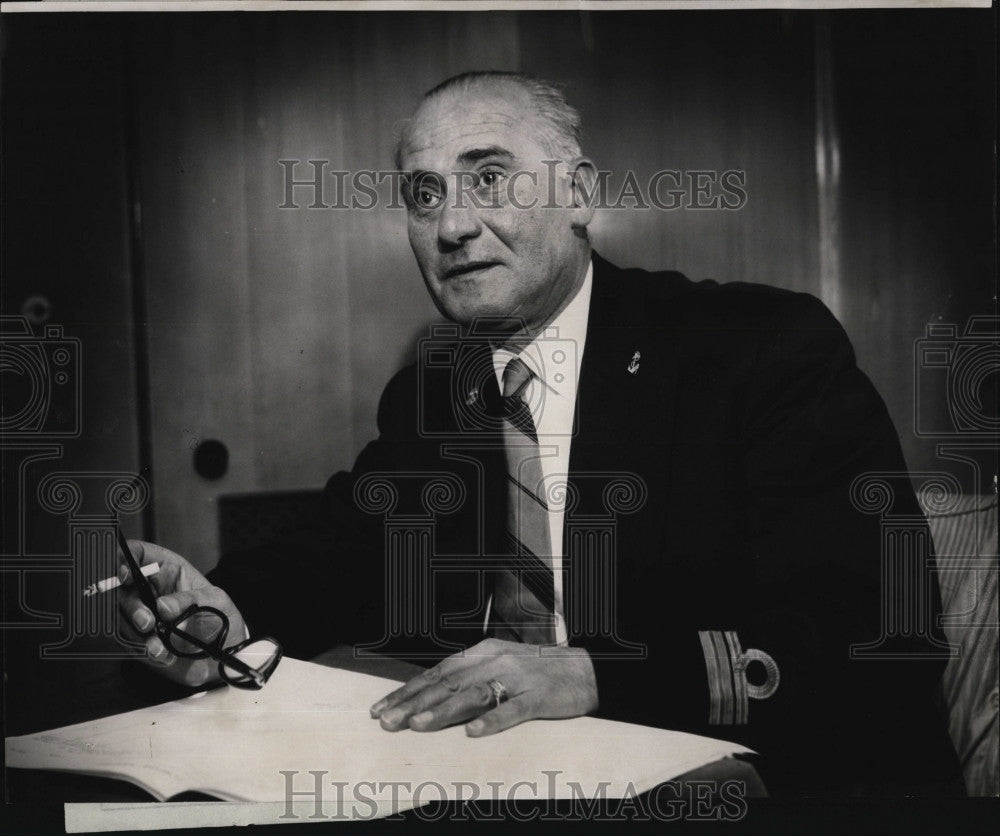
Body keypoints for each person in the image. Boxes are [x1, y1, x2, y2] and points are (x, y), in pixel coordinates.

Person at [117, 71, 961, 795]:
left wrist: (598, 674)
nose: (451, 226)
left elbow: (879, 627)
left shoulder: (755, 349)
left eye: (489, 179)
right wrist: (222, 610)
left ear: (581, 195)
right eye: (424, 195)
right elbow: (341, 550)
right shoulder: (432, 396)